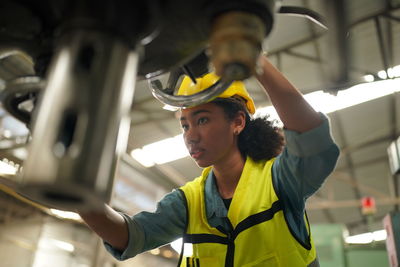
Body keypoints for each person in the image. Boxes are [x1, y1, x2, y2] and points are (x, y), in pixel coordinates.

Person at [79, 56, 340, 267]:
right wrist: (78, 194)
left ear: (238, 122)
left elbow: (311, 138)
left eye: (202, 120)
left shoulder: (279, 183)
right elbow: (130, 236)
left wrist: (256, 61)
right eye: (185, 125)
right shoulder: (189, 202)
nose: (191, 136)